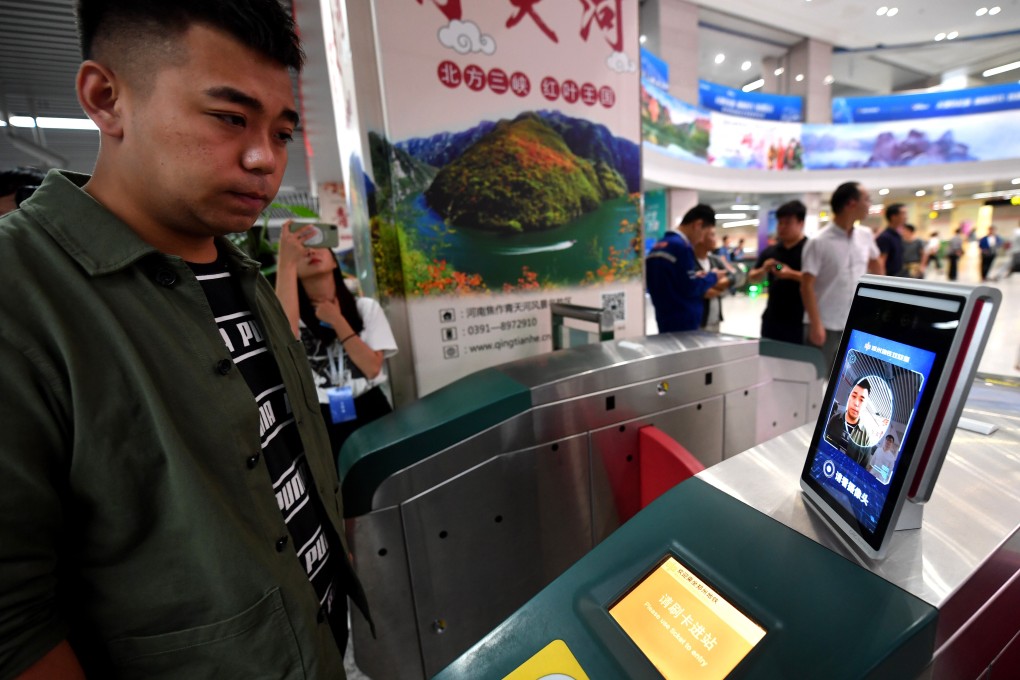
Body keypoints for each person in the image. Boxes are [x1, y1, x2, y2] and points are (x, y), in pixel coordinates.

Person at [0, 2, 369, 677]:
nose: (265, 159)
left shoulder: (242, 274)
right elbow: (12, 622)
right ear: (105, 99)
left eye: (281, 131)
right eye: (229, 118)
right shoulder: (22, 297)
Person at [275, 232, 398, 456]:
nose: (311, 251)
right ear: (293, 269)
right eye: (303, 251)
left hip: (369, 407)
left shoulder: (365, 308)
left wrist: (337, 320)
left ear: (334, 260)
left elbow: (372, 368)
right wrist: (285, 259)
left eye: (319, 246)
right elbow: (282, 338)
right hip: (319, 414)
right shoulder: (294, 321)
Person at [801, 182, 882, 371]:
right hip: (826, 323)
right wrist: (815, 324)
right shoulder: (819, 241)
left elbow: (876, 264)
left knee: (846, 377)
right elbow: (806, 286)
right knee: (817, 377)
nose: (869, 204)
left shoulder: (865, 235)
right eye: (866, 200)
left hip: (856, 321)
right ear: (851, 203)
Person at [647, 204, 729, 333]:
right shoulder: (681, 247)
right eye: (704, 234)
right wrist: (713, 276)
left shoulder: (659, 245)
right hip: (683, 321)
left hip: (665, 317)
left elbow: (675, 282)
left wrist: (697, 277)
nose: (701, 239)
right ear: (697, 225)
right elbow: (691, 287)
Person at [748, 199, 807, 344]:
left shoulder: (810, 250)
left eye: (787, 223)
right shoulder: (771, 251)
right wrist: (764, 269)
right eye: (780, 223)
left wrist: (791, 274)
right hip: (772, 319)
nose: (782, 227)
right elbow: (752, 278)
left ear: (801, 223)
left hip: (800, 320)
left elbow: (821, 280)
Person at [824, 379, 887, 467]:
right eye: (854, 396)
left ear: (866, 404)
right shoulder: (834, 419)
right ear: (849, 397)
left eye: (861, 400)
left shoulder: (867, 439)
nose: (856, 403)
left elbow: (862, 468)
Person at [693, 224, 733, 333]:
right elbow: (693, 288)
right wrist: (718, 283)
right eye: (712, 235)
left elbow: (732, 277)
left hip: (715, 319)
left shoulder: (715, 260)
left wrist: (709, 284)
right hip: (697, 322)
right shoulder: (689, 262)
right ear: (701, 237)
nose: (715, 239)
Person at [876, 203, 906, 276]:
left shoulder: (897, 235)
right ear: (893, 217)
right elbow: (881, 262)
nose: (906, 217)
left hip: (899, 275)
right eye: (903, 214)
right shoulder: (885, 237)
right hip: (890, 278)